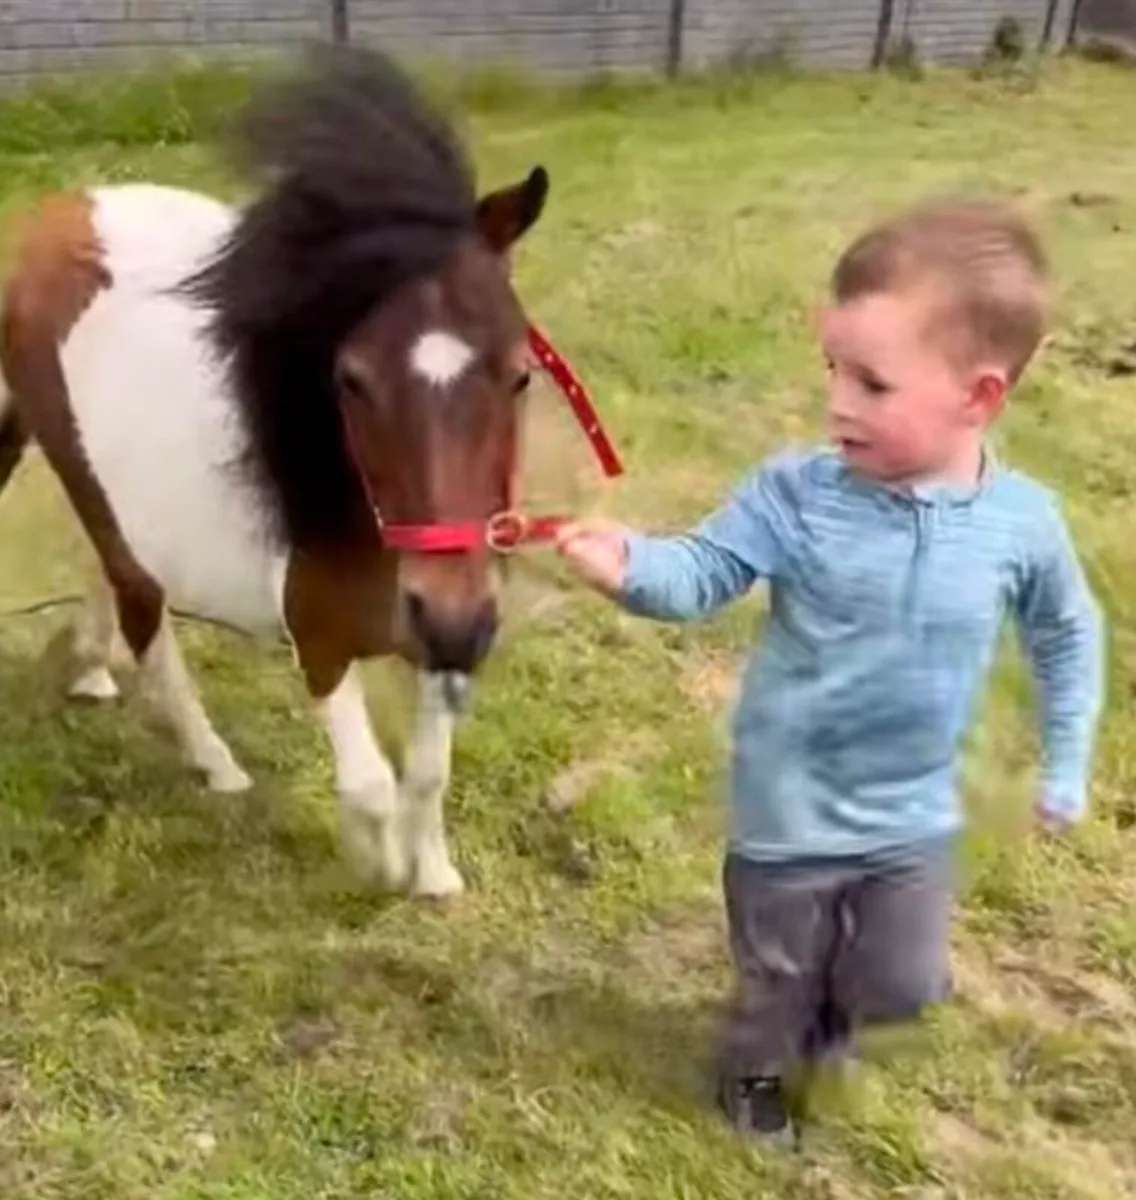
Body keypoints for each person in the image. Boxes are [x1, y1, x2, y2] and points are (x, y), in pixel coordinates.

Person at [553, 197, 1105, 1145]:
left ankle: (839, 1026)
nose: (838, 403)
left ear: (978, 398)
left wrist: (1064, 761)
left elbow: (1067, 633)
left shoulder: (1023, 524)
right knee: (779, 976)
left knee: (901, 983)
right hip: (788, 813)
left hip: (914, 817)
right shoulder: (795, 495)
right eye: (832, 370)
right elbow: (704, 570)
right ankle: (755, 1073)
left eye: (872, 383)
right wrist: (634, 567)